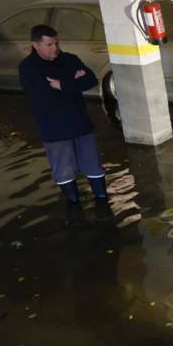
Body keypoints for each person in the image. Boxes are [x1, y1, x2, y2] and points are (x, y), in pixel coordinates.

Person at [18, 24, 109, 225]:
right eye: (49, 44)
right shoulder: (28, 68)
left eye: (56, 43)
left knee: (93, 163)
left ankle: (102, 202)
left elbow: (91, 80)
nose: (55, 48)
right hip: (54, 127)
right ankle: (74, 206)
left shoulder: (70, 59)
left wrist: (62, 84)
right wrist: (72, 81)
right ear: (35, 45)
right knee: (63, 169)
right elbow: (43, 93)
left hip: (80, 122)